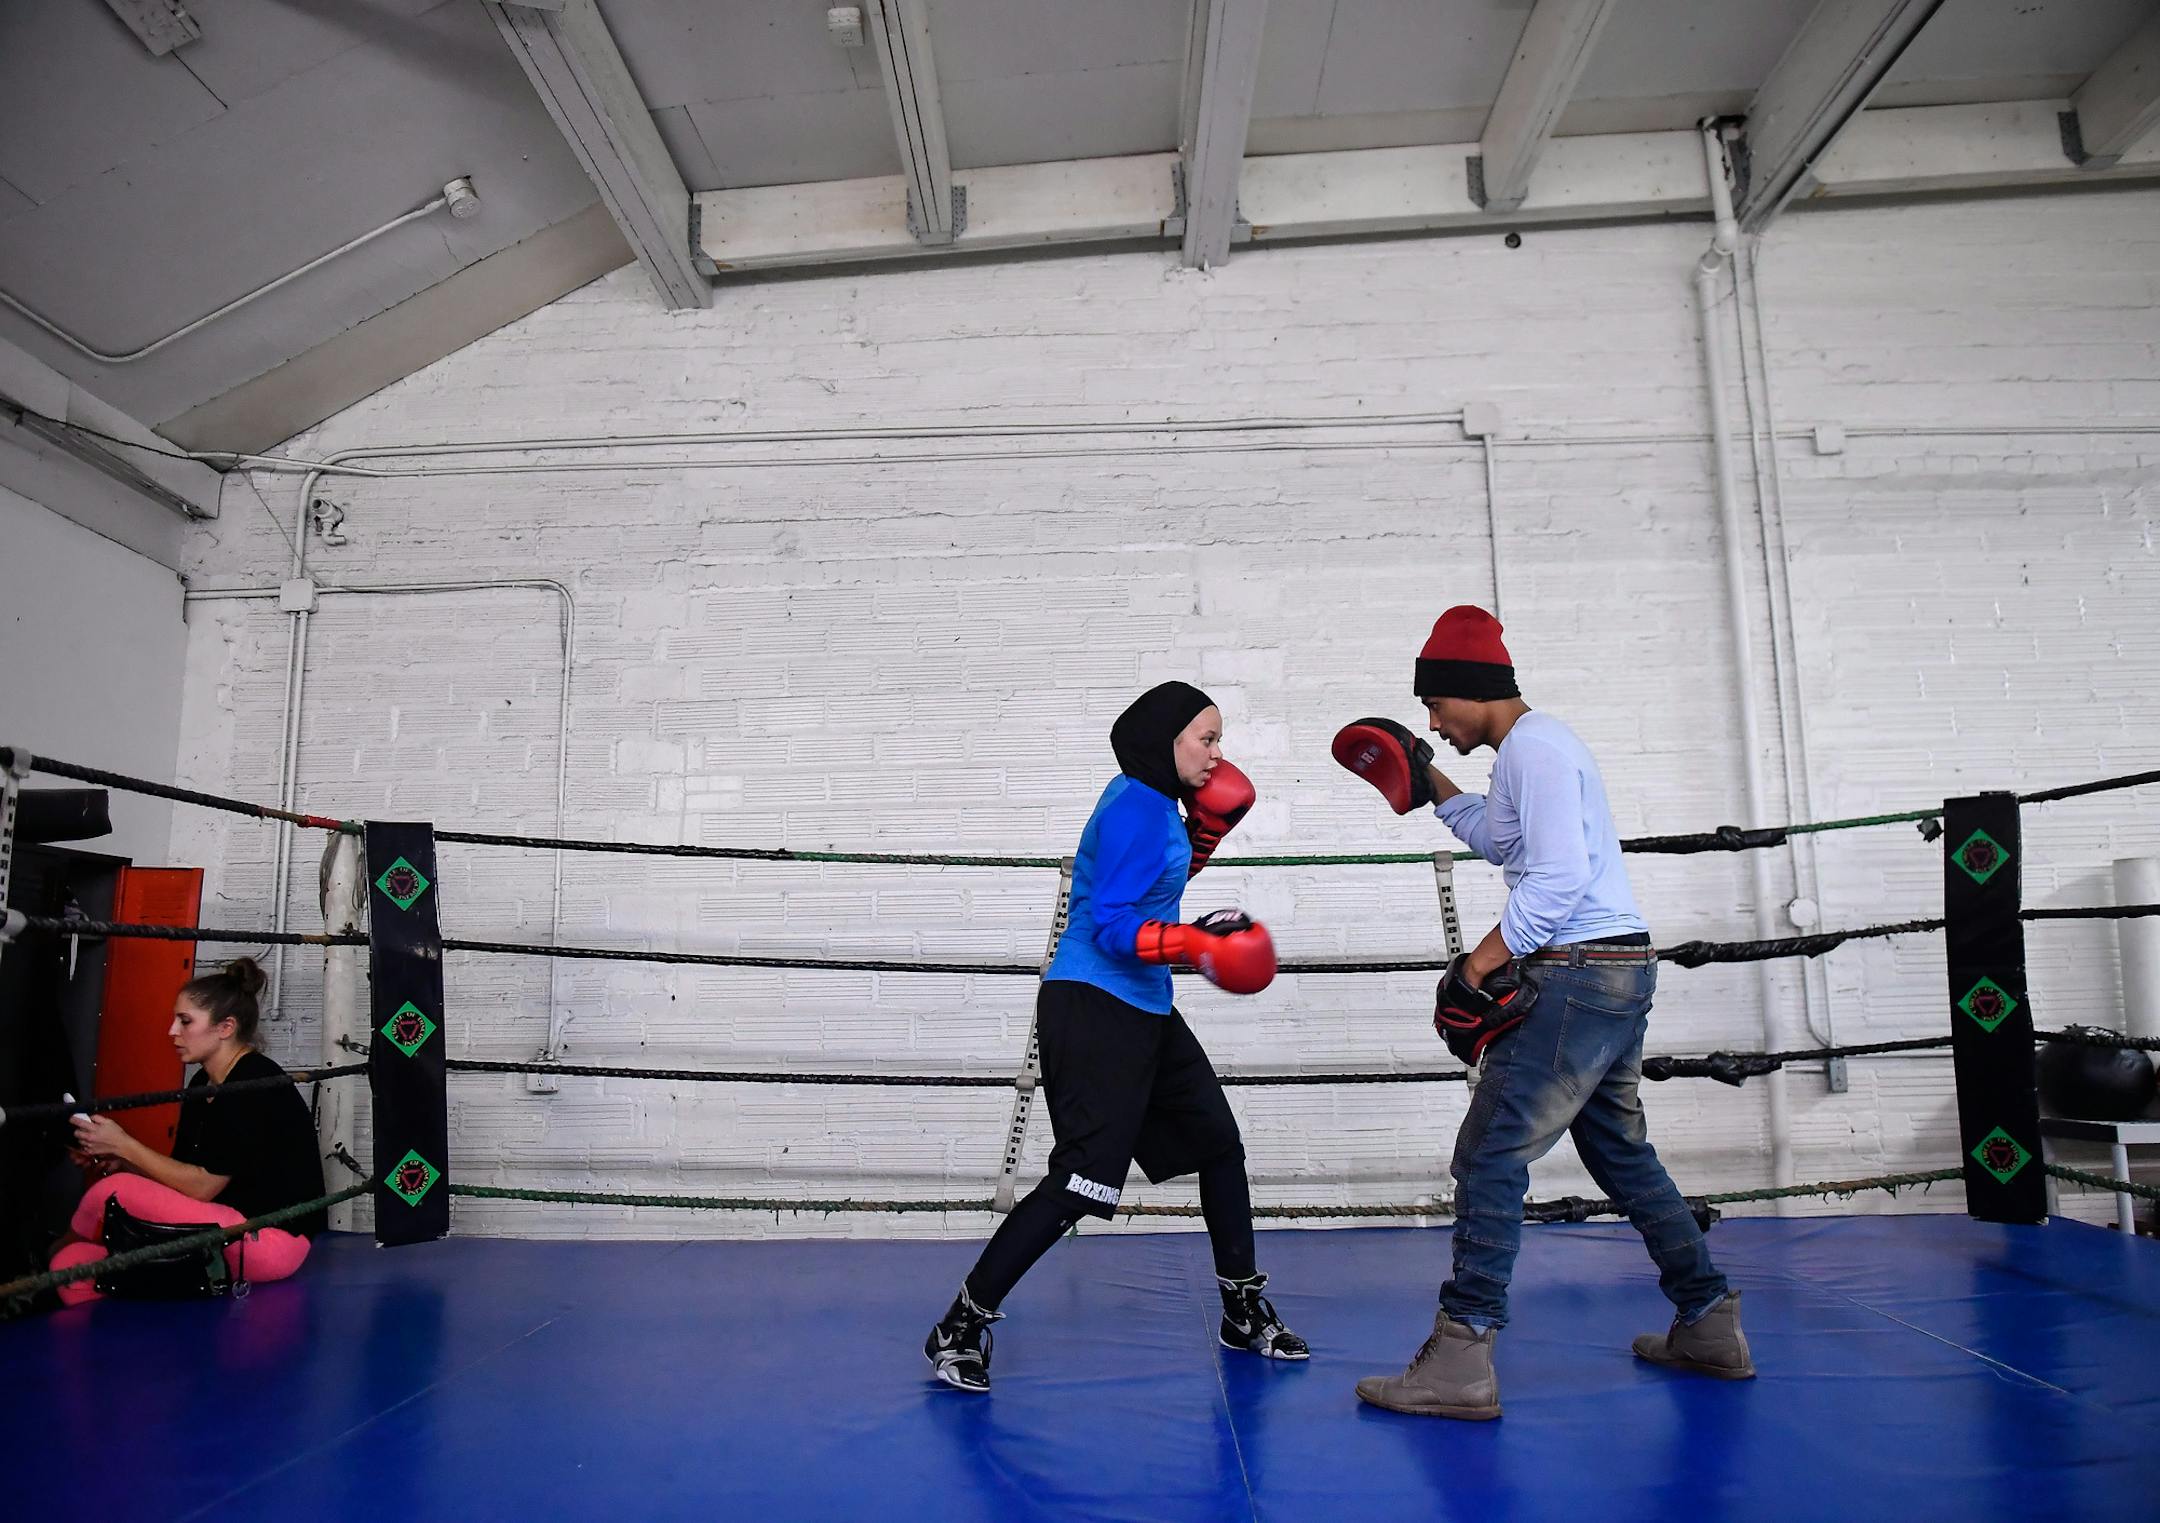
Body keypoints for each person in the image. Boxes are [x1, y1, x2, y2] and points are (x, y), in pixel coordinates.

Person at [1334, 606, 1752, 1420]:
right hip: (1614, 970)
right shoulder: (1528, 753)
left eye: (1436, 707)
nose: (1433, 723)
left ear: (1470, 690)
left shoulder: (1537, 748)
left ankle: (1462, 1357)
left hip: (1578, 973)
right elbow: (1505, 844)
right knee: (1620, 1152)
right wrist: (1430, 782)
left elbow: (1557, 878)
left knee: (1490, 1153)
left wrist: (1477, 964)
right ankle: (1708, 1318)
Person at [925, 681, 1308, 1392]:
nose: (1217, 754)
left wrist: (1204, 839)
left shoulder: (1157, 803)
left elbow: (1152, 885)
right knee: (1082, 1178)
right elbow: (1110, 925)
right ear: (1167, 739)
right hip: (1094, 1005)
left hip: (1145, 1004)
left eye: (1219, 740)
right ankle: (961, 1323)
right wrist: (1197, 943)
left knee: (1218, 1144)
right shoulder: (1135, 806)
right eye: (1207, 738)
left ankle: (1241, 1308)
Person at [51, 957, 326, 1306]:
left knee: (110, 1191)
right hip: (217, 1230)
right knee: (71, 1267)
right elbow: (183, 1180)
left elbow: (202, 1186)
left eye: (185, 1021)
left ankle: (39, 1263)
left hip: (266, 1240)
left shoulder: (253, 1082)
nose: (172, 1031)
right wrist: (120, 1157)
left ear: (225, 1027)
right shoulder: (202, 1084)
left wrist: (124, 1145)